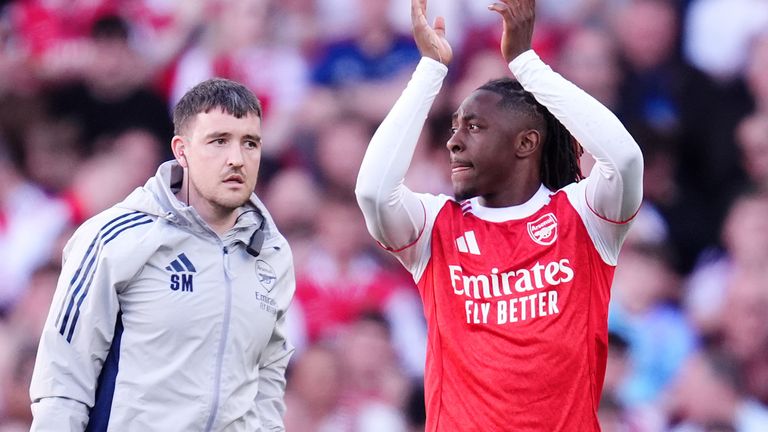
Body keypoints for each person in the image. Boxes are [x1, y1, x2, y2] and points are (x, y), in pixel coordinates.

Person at [355, 0, 643, 430]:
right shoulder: (437, 227)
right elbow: (374, 192)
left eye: (473, 127)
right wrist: (430, 70)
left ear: (525, 143)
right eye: (454, 127)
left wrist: (526, 63)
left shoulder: (584, 217)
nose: (453, 142)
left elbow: (622, 160)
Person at [29, 78, 296, 431]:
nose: (237, 159)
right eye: (219, 141)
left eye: (250, 143)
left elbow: (267, 384)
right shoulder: (114, 238)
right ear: (181, 150)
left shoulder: (273, 252)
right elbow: (62, 382)